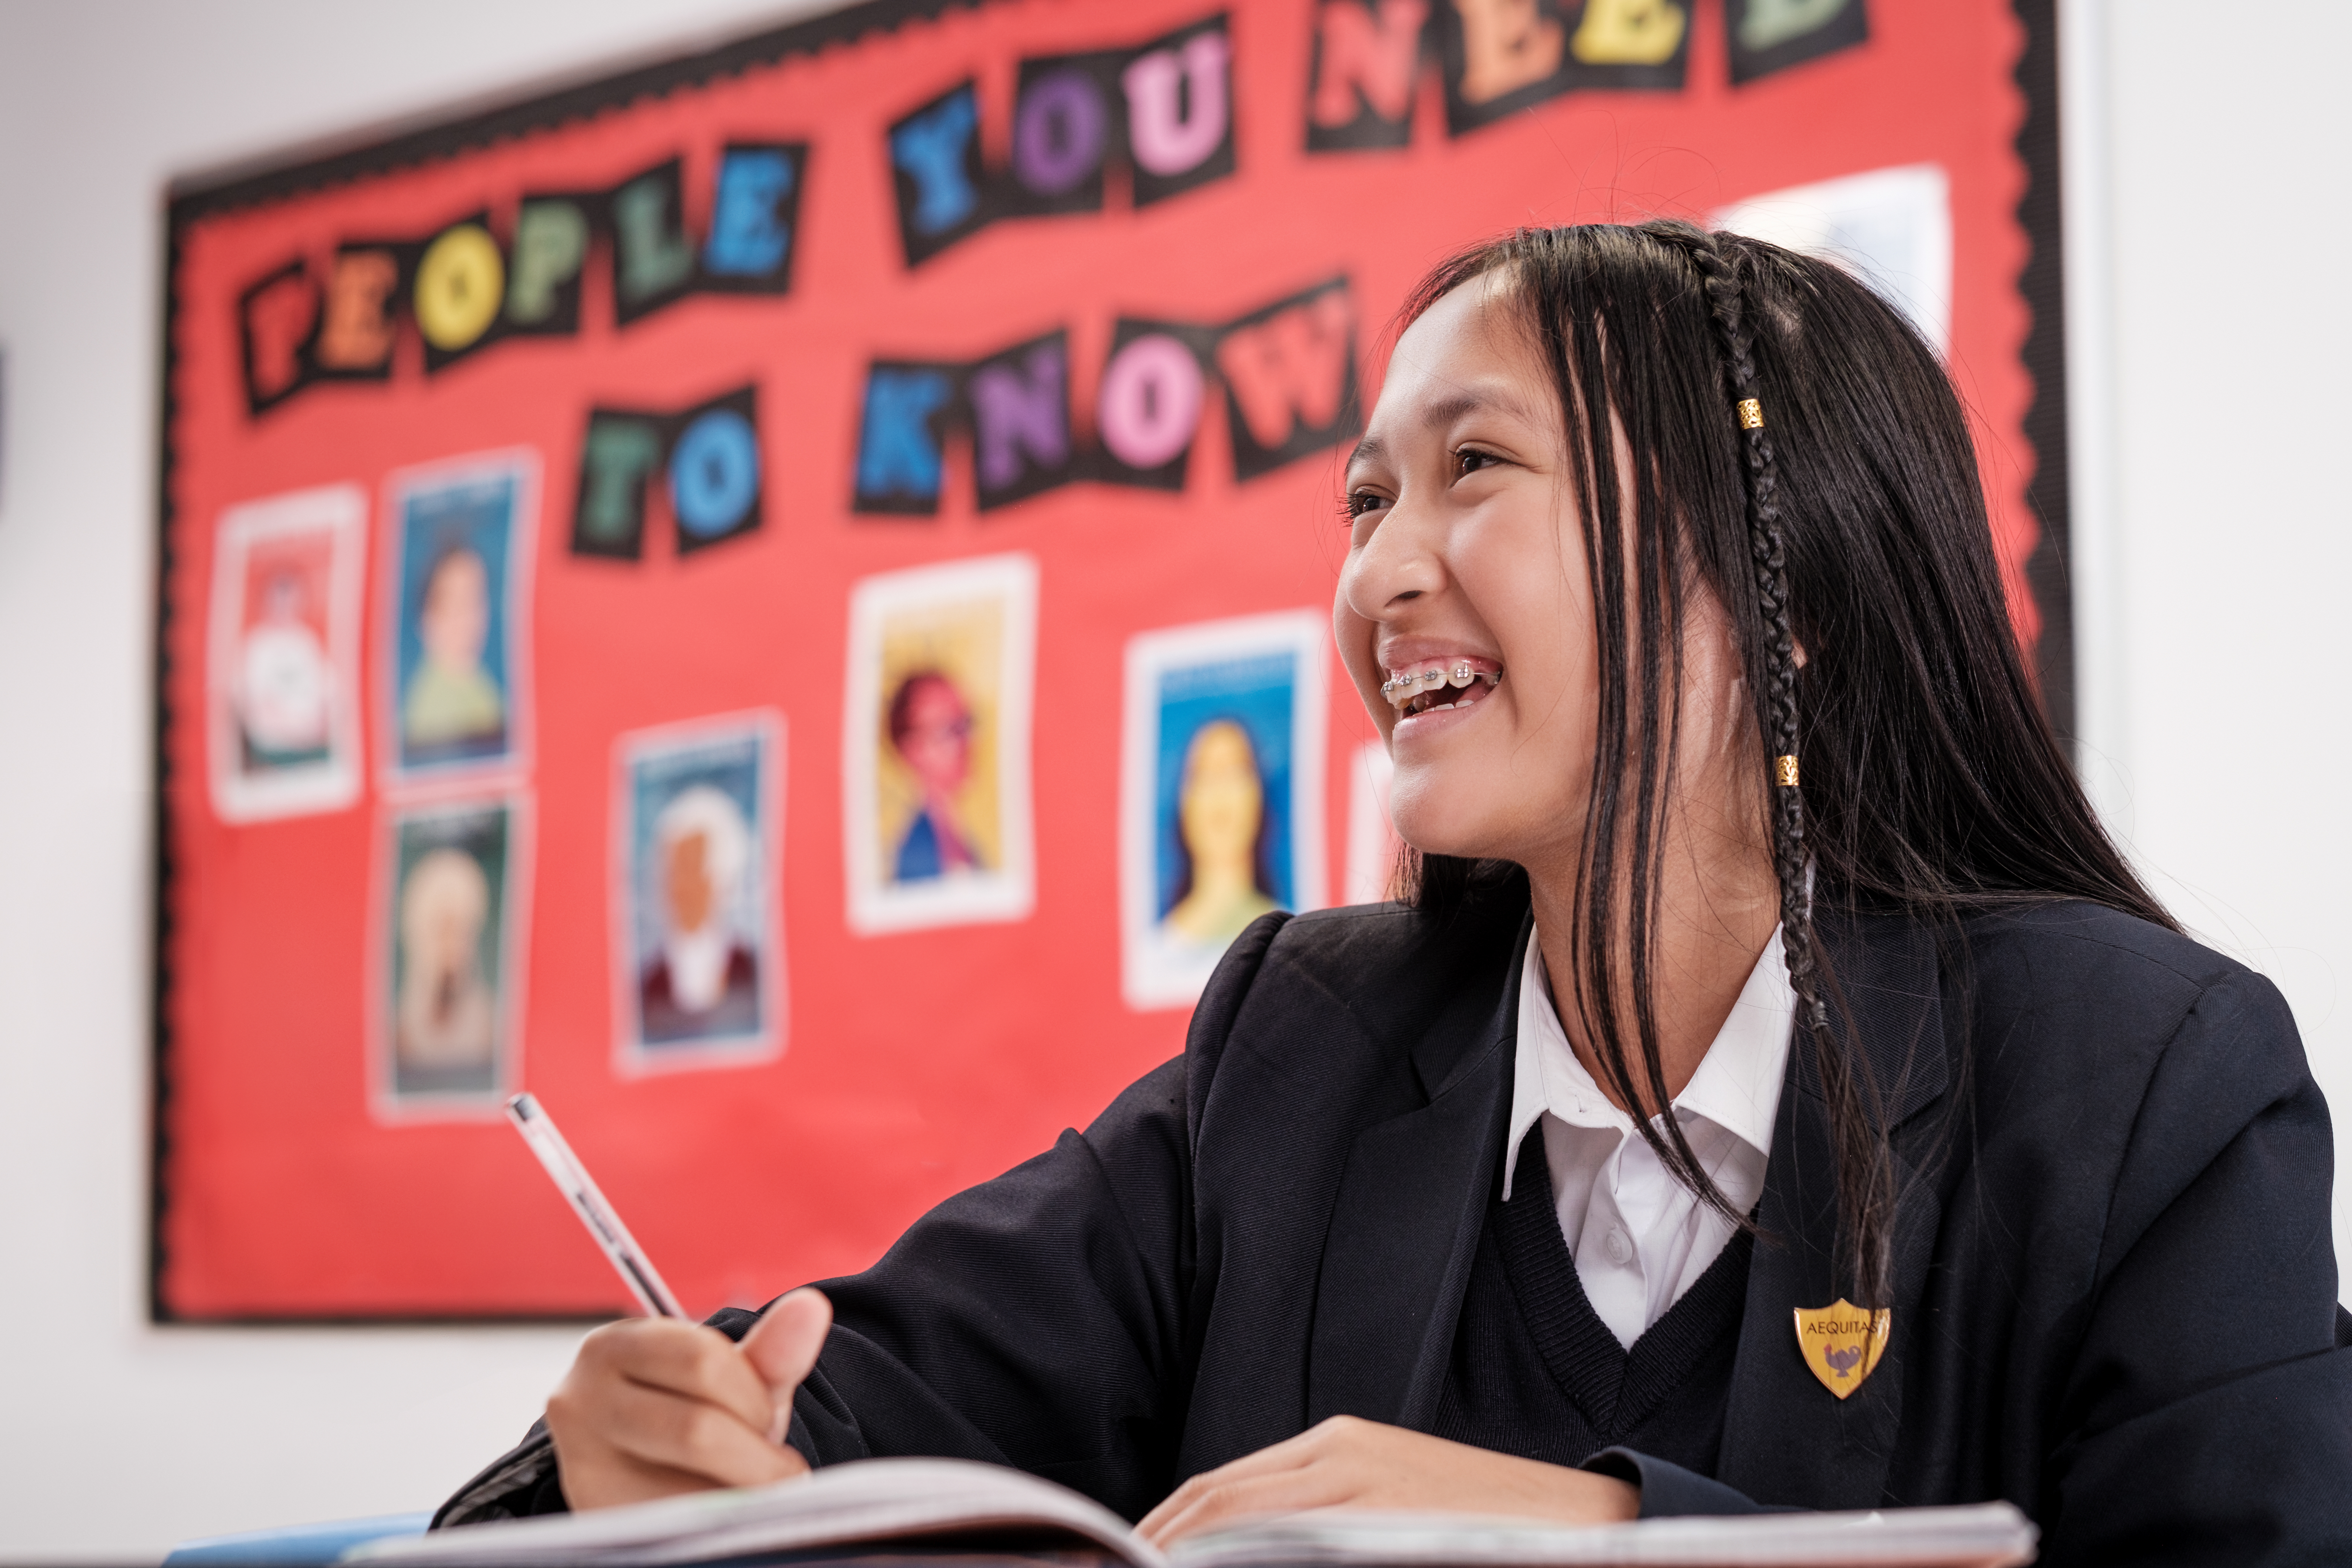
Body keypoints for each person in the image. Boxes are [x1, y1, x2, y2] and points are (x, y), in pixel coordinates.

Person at [435, 224, 2352, 1561]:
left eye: (1475, 469)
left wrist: (1608, 1535)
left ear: (1793, 607)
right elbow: (871, 1400)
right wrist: (651, 1457)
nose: (1379, 574)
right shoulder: (1302, 1044)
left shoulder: (2150, 1081)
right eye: (1365, 499)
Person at [639, 784, 761, 1044]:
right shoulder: (647, 989)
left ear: (723, 878)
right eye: (672, 872)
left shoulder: (753, 974)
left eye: (694, 870)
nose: (680, 888)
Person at [1156, 717, 1280, 947]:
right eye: (1205, 774)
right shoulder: (1160, 948)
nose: (1220, 793)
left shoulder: (1291, 933)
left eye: (1236, 771)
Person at [393, 845, 496, 1089]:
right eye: (441, 929)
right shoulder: (398, 1037)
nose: (452, 945)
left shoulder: (490, 1030)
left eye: (460, 929)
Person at [401, 543, 505, 757]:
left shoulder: (476, 683)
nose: (468, 619)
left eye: (476, 600)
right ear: (428, 619)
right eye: (454, 604)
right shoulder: (431, 706)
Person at [886, 669, 983, 881]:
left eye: (966, 724)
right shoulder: (916, 855)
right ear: (913, 749)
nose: (967, 741)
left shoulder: (959, 836)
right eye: (950, 730)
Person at [235, 565, 332, 769]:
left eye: (291, 600)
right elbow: (255, 704)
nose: (286, 606)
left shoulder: (307, 641)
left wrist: (321, 725)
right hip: (274, 748)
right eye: (280, 599)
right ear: (268, 602)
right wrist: (295, 732)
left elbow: (326, 691)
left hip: (313, 742)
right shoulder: (257, 645)